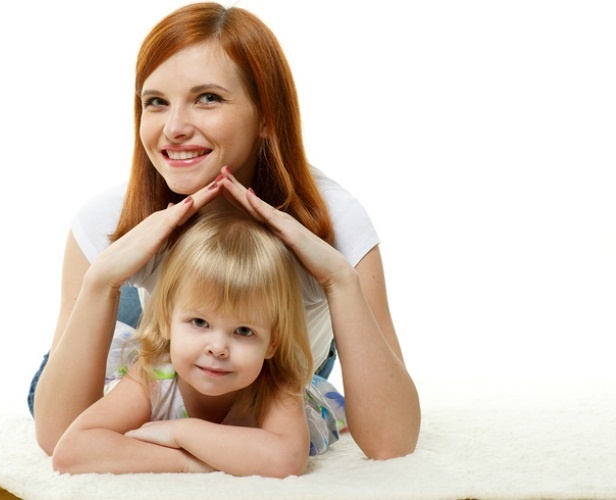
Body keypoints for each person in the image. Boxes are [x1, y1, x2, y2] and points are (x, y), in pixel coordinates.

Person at [30, 2, 420, 461]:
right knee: (131, 357)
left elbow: (393, 442)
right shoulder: (107, 220)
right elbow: (60, 439)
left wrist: (338, 280)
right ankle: (163, 316)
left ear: (267, 116)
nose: (174, 128)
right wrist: (101, 281)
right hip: (152, 333)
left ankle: (228, 328)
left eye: (208, 98)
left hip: (271, 360)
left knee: (272, 377)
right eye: (156, 102)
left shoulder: (337, 218)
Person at [51, 213, 346, 477]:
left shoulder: (277, 382)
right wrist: (186, 462)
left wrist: (181, 432)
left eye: (243, 330)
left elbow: (285, 460)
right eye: (200, 322)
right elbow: (71, 450)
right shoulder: (154, 376)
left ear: (273, 343)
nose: (217, 347)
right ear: (167, 321)